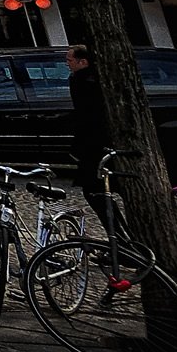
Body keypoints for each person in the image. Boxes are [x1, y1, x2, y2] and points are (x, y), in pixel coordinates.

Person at [66, 43, 113, 227]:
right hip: (97, 143)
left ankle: (118, 236)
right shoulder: (90, 79)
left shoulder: (83, 82)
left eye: (70, 60)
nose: (68, 64)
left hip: (94, 145)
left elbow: (86, 116)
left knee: (94, 190)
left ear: (82, 62)